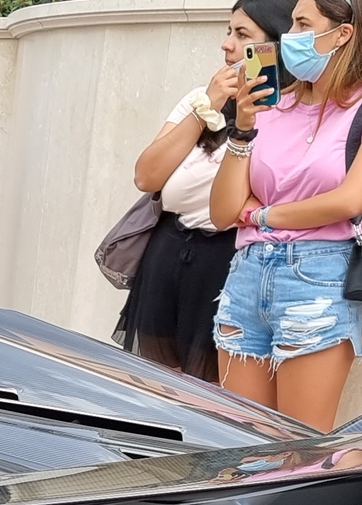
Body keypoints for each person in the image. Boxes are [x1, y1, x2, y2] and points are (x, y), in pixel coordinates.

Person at [207, 0, 362, 430]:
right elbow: (223, 211)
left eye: (303, 24)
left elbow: (350, 199)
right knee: (239, 443)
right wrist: (243, 125)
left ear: (343, 33)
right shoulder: (273, 103)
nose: (291, 35)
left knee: (297, 449)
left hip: (319, 276)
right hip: (246, 276)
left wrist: (262, 216)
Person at [119, 0, 292, 382]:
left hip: (227, 257)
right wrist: (206, 108)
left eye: (242, 34)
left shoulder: (291, 113)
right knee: (155, 384)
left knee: (211, 391)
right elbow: (147, 176)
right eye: (229, 31)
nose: (227, 44)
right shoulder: (200, 99)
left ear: (277, 45)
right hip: (168, 249)